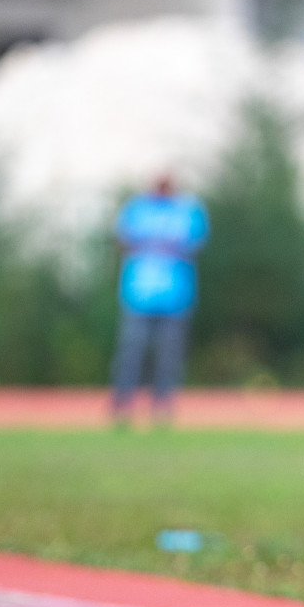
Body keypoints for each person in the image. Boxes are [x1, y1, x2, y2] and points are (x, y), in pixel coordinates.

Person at [110, 173, 209, 425]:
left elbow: (197, 244)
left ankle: (162, 406)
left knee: (169, 356)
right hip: (139, 293)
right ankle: (122, 404)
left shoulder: (188, 210)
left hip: (175, 296)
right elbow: (121, 240)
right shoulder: (137, 209)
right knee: (131, 352)